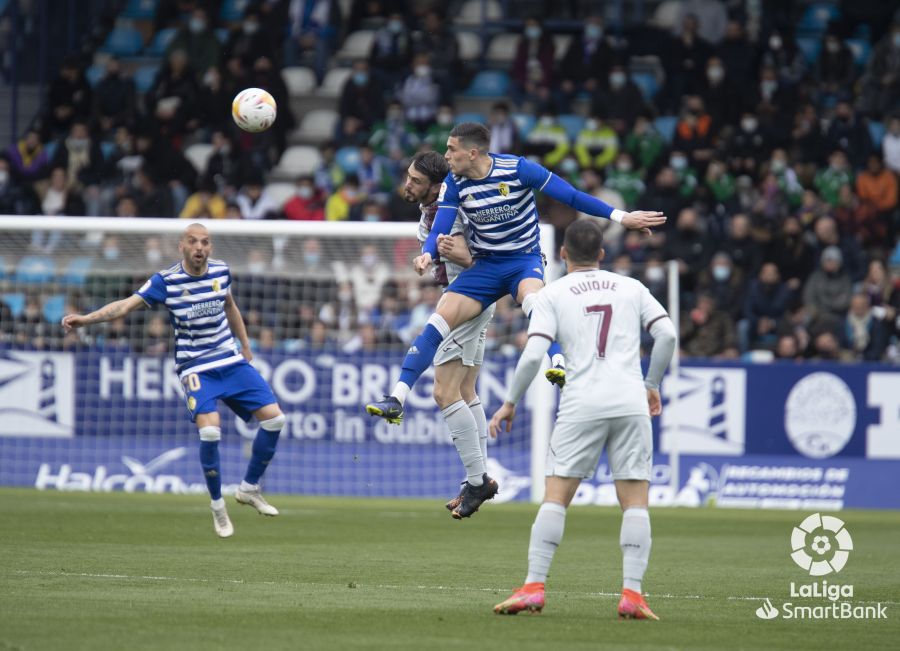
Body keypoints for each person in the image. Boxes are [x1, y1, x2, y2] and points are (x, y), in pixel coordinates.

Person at [365, 122, 665, 511]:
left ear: (473, 152)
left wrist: (621, 217)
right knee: (440, 319)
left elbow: (570, 195)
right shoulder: (455, 183)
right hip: (486, 267)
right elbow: (442, 222)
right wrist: (428, 252)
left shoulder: (519, 169)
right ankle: (398, 397)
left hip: (522, 261)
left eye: (453, 149)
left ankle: (560, 364)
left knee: (534, 305)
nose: (448, 154)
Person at [489, 219, 676, 619]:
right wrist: (652, 383)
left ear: (562, 254)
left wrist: (510, 402)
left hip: (581, 403)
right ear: (602, 254)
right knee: (636, 503)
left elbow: (535, 354)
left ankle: (534, 587)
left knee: (556, 497)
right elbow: (668, 336)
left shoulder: (552, 294)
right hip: (630, 401)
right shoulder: (631, 286)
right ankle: (633, 594)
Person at [61, 224, 285, 539]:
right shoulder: (165, 281)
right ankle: (218, 505)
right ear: (181, 246)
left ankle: (248, 489)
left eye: (205, 242)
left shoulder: (221, 272)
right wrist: (86, 318)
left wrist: (245, 345)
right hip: (195, 366)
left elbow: (230, 306)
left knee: (276, 420)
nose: (199, 248)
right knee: (210, 431)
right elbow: (124, 306)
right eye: (193, 242)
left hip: (230, 360)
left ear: (211, 247)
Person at [405, 151, 497, 518]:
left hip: (466, 296)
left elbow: (472, 257)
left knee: (444, 393)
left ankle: (477, 482)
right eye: (409, 177)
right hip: (475, 296)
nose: (408, 183)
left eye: (415, 180)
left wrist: (449, 253)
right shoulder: (435, 209)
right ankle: (480, 478)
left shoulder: (448, 208)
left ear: (434, 186)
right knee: (465, 391)